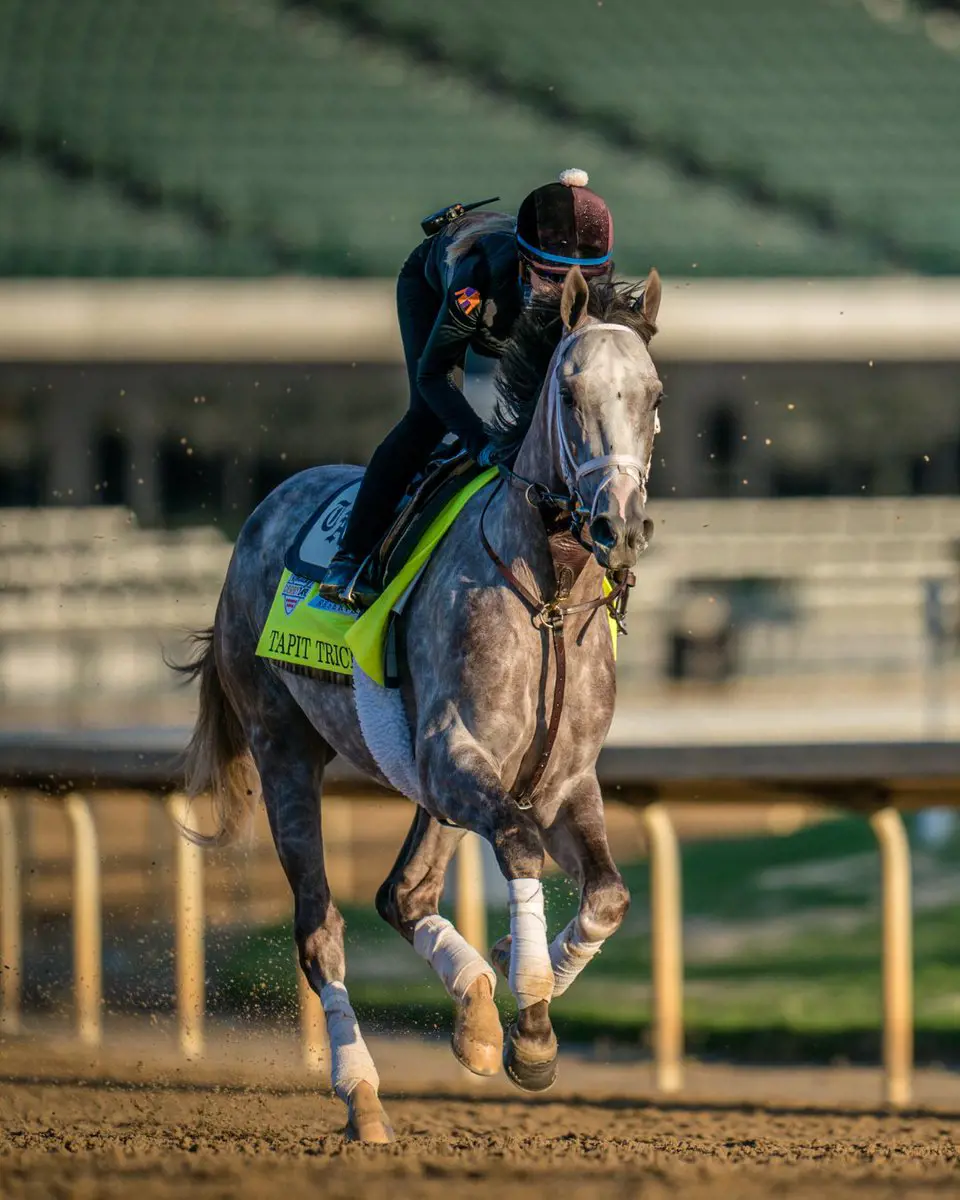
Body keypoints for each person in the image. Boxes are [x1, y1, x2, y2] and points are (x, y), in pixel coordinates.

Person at [318, 168, 615, 607]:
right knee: (425, 419)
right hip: (431, 285)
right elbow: (432, 376)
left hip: (503, 306)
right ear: (522, 263)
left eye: (582, 283)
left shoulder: (581, 288)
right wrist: (479, 443)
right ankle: (350, 556)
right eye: (551, 278)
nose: (565, 293)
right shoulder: (476, 280)